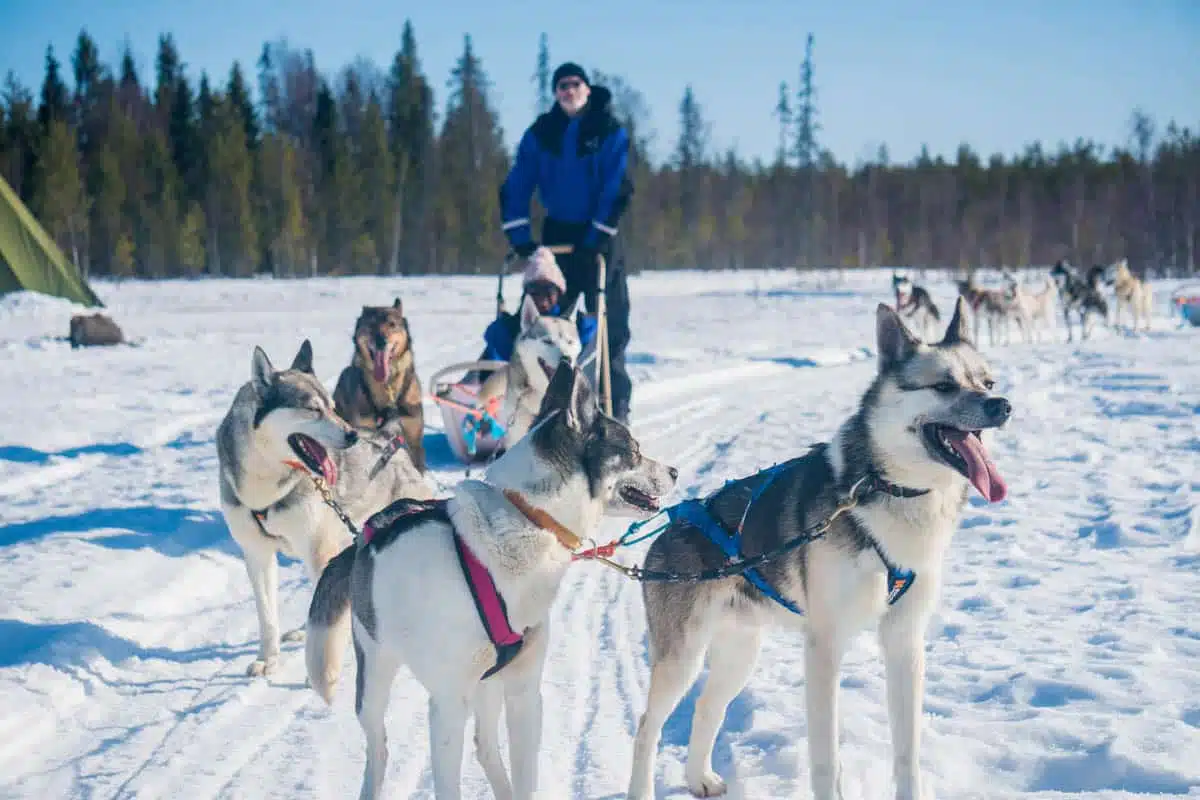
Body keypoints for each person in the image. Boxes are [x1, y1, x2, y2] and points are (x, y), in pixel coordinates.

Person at [499, 61, 634, 423]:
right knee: (543, 321)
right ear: (555, 93)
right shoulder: (542, 133)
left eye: (575, 84)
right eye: (561, 86)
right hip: (557, 234)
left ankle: (614, 406)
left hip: (601, 240)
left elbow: (616, 186)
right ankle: (538, 402)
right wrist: (522, 239)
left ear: (587, 89)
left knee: (610, 324)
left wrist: (595, 239)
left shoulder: (607, 130)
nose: (568, 90)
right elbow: (517, 183)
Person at [481, 246, 597, 362]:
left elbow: (592, 336)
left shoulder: (579, 325)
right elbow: (494, 364)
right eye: (535, 291)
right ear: (525, 295)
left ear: (559, 294)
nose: (542, 299)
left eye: (549, 291)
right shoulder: (506, 329)